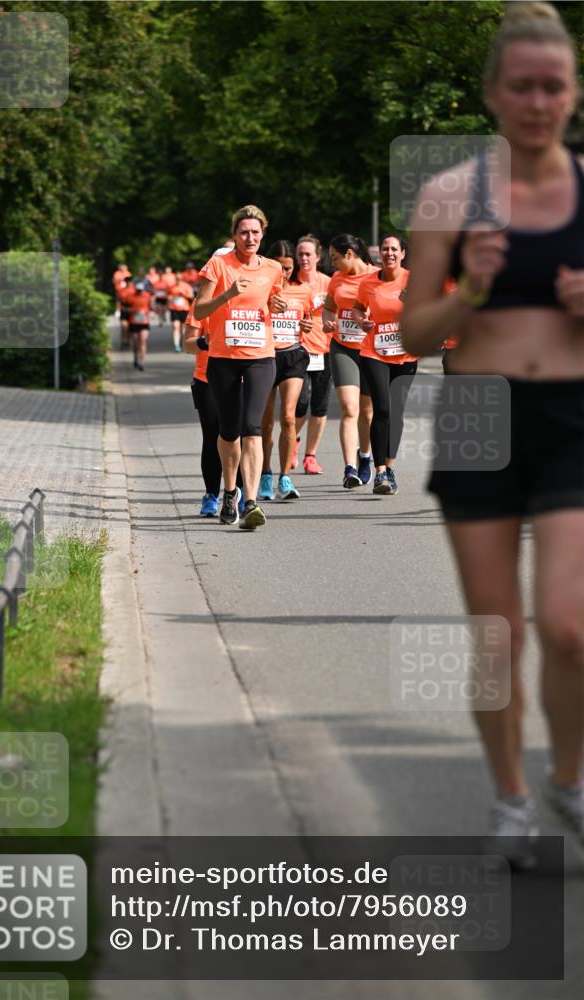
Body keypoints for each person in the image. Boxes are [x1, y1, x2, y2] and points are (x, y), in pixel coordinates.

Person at [401, 1, 584, 859]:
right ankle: (510, 798)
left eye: (553, 86)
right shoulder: (448, 196)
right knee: (494, 632)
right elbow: (410, 334)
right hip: (479, 413)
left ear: (572, 92)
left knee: (570, 626)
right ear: (491, 93)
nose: (537, 102)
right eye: (521, 86)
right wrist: (467, 293)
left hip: (573, 414)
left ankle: (568, 781)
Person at [194, 204, 283, 529]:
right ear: (234, 235)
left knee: (252, 427)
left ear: (263, 234)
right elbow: (200, 311)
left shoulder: (273, 268)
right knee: (229, 431)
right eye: (244, 232)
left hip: (260, 356)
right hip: (223, 358)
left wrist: (278, 305)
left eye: (255, 232)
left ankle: (251, 501)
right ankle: (229, 492)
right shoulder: (218, 265)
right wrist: (227, 294)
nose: (250, 238)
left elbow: (273, 301)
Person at [353, 233, 419, 496]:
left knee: (396, 413)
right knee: (382, 408)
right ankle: (379, 471)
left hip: (406, 354)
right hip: (374, 352)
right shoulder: (368, 282)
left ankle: (389, 467)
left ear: (402, 254)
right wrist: (362, 320)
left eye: (394, 249)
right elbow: (358, 308)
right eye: (385, 249)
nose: (389, 253)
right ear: (379, 253)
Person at [258, 240, 314, 501]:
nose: (284, 272)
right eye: (279, 267)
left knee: (289, 418)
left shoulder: (303, 290)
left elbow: (308, 319)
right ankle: (265, 474)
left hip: (293, 355)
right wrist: (267, 308)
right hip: (266, 356)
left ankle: (285, 477)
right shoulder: (261, 288)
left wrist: (307, 325)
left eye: (289, 268)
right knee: (266, 422)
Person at [322, 235, 377, 489]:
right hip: (342, 347)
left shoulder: (376, 276)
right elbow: (329, 309)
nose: (333, 263)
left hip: (370, 350)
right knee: (349, 408)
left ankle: (364, 456)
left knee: (367, 412)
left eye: (335, 258)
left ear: (349, 254)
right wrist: (327, 321)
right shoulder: (337, 279)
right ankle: (349, 469)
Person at [183, 307, 244, 517]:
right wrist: (204, 341)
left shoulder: (248, 299)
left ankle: (240, 492)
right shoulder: (201, 305)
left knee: (240, 436)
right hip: (206, 379)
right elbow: (188, 345)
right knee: (212, 436)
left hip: (242, 379)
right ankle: (211, 494)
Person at [294, 234, 334, 474]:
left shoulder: (329, 283)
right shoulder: (290, 283)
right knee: (300, 403)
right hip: (297, 350)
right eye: (300, 254)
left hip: (324, 350)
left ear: (318, 257)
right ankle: (292, 441)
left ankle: (310, 456)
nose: (304, 258)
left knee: (320, 406)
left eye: (308, 254)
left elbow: (342, 310)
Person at [118, 278, 152, 371]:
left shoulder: (147, 296)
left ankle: (142, 362)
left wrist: (148, 311)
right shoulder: (130, 296)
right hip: (134, 322)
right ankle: (136, 358)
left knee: (143, 341)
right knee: (136, 342)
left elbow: (151, 307)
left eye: (141, 290)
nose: (139, 292)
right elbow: (124, 308)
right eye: (138, 290)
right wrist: (132, 311)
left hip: (144, 322)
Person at [169, 273, 195, 352]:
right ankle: (177, 345)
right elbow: (168, 296)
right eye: (176, 279)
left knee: (183, 328)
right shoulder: (172, 287)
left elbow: (192, 296)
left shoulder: (186, 286)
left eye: (179, 279)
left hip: (184, 309)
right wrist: (171, 298)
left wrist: (184, 294)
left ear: (182, 279)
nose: (178, 280)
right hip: (174, 309)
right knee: (176, 326)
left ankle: (183, 342)